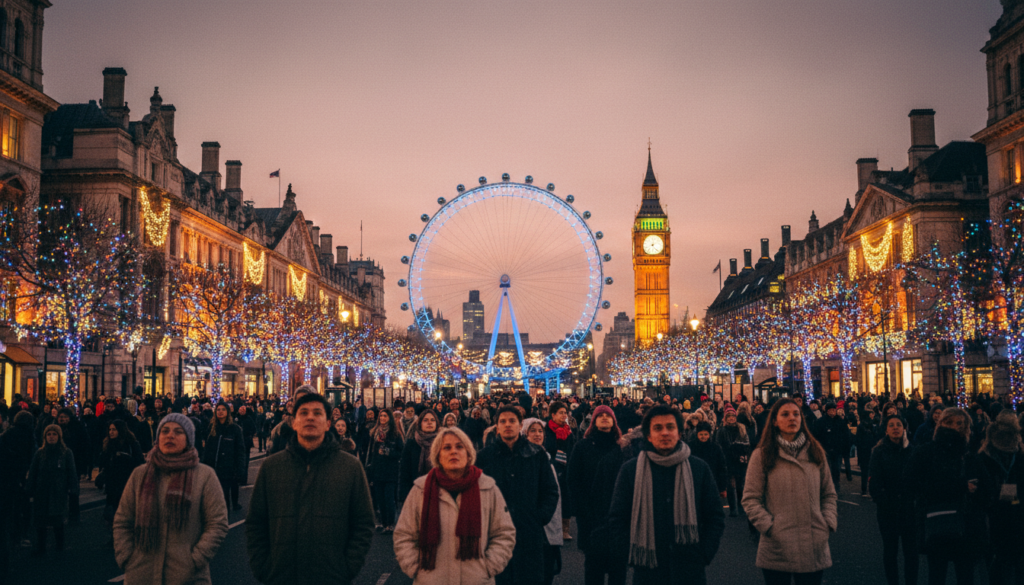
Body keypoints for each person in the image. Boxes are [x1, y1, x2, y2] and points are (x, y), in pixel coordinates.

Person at [246, 392, 375, 584]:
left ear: (328, 423)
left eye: (317, 413)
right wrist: (264, 568)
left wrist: (347, 568)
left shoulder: (349, 467)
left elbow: (363, 523)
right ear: (294, 422)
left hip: (331, 576)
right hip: (281, 576)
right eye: (304, 413)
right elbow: (256, 522)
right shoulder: (272, 467)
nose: (310, 417)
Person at [605, 405, 725, 584]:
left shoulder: (698, 468)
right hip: (647, 569)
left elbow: (715, 516)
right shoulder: (631, 470)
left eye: (670, 427)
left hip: (689, 567)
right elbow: (617, 518)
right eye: (658, 428)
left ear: (679, 432)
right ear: (648, 435)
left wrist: (704, 554)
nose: (665, 433)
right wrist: (631, 553)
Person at [113, 414, 229, 585]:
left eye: (178, 432)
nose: (170, 436)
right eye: (165, 431)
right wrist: (127, 557)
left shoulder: (205, 475)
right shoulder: (140, 474)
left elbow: (217, 523)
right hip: (141, 573)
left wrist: (195, 560)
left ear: (188, 440)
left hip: (187, 576)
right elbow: (122, 521)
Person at [393, 427, 516, 585]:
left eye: (459, 447)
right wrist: (415, 567)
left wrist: (488, 567)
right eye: (447, 447)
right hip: (430, 579)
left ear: (469, 453)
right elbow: (404, 535)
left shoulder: (487, 487)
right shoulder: (421, 489)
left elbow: (504, 533)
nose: (453, 452)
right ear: (438, 454)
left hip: (477, 579)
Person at [743, 398, 837, 585]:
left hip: (813, 542)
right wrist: (770, 527)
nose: (792, 418)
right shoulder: (762, 455)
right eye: (785, 414)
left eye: (796, 414)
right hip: (777, 546)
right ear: (775, 422)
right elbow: (750, 499)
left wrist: (827, 522)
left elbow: (829, 494)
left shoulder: (815, 451)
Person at [907, 408, 994, 585]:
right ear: (940, 425)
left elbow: (987, 490)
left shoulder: (970, 455)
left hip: (956, 523)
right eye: (950, 422)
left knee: (951, 574)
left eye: (960, 423)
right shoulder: (926, 452)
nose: (955, 427)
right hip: (947, 522)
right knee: (948, 574)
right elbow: (912, 485)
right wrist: (961, 487)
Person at [477, 406, 559, 585]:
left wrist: (539, 517)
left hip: (529, 530)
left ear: (520, 425)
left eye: (512, 421)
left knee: (528, 577)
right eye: (503, 421)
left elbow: (550, 491)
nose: (508, 425)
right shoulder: (485, 457)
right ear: (496, 427)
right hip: (494, 531)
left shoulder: (536, 454)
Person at [567, 404, 625, 585]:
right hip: (590, 514)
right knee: (593, 566)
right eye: (600, 416)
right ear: (594, 422)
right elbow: (573, 479)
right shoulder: (582, 447)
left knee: (618, 567)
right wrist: (581, 510)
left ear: (614, 421)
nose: (605, 418)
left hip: (617, 514)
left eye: (608, 416)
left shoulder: (621, 448)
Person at [868, 414, 917, 585]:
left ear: (904, 428)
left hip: (910, 510)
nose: (895, 427)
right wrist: (884, 501)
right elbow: (874, 482)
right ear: (886, 430)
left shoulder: (912, 451)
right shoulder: (879, 452)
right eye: (891, 425)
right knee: (891, 551)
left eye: (899, 425)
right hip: (888, 511)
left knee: (911, 552)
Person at [979, 410, 1024, 585]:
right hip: (999, 509)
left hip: (1010, 508)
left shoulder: (1016, 455)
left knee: (1007, 556)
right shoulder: (986, 456)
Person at [523, 417, 564, 585]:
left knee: (547, 571)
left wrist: (544, 514)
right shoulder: (520, 459)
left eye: (540, 431)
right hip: (527, 524)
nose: (537, 434)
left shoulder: (548, 459)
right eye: (532, 431)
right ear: (524, 434)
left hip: (547, 522)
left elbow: (553, 493)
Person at [26, 424, 77, 555]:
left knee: (57, 520)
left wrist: (73, 489)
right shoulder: (40, 453)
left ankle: (60, 546)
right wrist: (30, 489)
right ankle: (41, 547)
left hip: (58, 491)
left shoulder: (66, 453)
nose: (51, 437)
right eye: (49, 434)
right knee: (40, 520)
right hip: (42, 490)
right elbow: (33, 472)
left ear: (59, 436)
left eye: (54, 434)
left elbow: (71, 472)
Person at [97, 419, 144, 542]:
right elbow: (105, 463)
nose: (111, 432)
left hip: (127, 482)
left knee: (126, 511)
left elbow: (139, 463)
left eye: (114, 429)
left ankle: (128, 535)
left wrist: (125, 458)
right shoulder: (108, 444)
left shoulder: (132, 444)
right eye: (110, 430)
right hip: (112, 483)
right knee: (112, 511)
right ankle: (115, 536)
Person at [200, 403, 246, 511]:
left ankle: (225, 522)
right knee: (212, 499)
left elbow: (240, 451)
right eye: (218, 409)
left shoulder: (235, 429)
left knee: (224, 498)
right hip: (213, 469)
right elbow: (207, 449)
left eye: (223, 409)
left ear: (228, 412)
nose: (220, 411)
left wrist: (239, 470)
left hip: (228, 469)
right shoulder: (212, 428)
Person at [543, 401, 576, 541]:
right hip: (551, 468)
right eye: (561, 413)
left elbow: (572, 448)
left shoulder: (568, 430)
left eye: (565, 412)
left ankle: (565, 529)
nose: (564, 415)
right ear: (553, 415)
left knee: (566, 497)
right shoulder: (547, 430)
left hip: (566, 468)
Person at [366, 408, 404, 532]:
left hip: (390, 469)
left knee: (389, 498)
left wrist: (388, 452)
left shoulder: (395, 433)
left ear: (389, 418)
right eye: (381, 416)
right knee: (379, 498)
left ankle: (390, 523)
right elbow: (370, 452)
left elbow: (400, 452)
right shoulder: (374, 433)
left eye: (385, 416)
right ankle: (382, 522)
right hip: (377, 469)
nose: (382, 418)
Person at [399, 410, 440, 502]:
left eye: (432, 420)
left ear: (437, 423)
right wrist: (404, 497)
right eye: (425, 420)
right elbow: (404, 472)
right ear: (420, 423)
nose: (429, 422)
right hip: (416, 493)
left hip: (439, 493)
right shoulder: (412, 444)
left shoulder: (442, 443)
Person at [717, 407, 751, 518]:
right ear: (725, 418)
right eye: (729, 417)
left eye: (733, 416)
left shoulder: (741, 428)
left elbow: (747, 443)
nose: (731, 418)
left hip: (739, 459)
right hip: (727, 459)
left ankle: (741, 508)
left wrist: (738, 446)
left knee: (740, 484)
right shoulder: (722, 430)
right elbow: (718, 445)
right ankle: (733, 509)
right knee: (730, 485)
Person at [812, 402, 850, 491]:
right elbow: (816, 435)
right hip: (825, 449)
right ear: (827, 411)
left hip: (837, 449)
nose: (832, 412)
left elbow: (845, 435)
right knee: (826, 468)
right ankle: (826, 486)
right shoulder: (821, 421)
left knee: (836, 468)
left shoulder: (840, 421)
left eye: (834, 410)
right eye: (830, 410)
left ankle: (836, 485)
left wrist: (844, 447)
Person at [687, 422, 728, 499]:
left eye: (706, 434)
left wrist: (722, 487)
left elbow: (721, 467)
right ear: (697, 434)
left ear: (709, 434)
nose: (703, 437)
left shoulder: (715, 447)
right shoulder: (690, 447)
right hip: (695, 482)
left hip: (712, 481)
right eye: (701, 434)